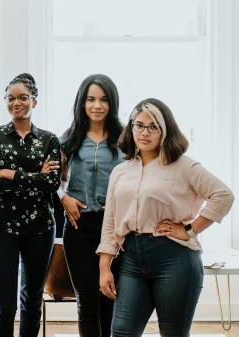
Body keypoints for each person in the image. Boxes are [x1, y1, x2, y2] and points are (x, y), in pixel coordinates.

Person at [97, 98, 234, 337]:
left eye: (153, 127)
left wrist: (190, 229)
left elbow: (223, 196)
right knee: (121, 332)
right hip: (131, 260)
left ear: (165, 130)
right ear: (131, 128)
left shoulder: (184, 166)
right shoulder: (121, 171)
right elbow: (110, 221)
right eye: (139, 125)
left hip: (175, 259)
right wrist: (104, 266)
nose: (144, 132)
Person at [0, 73, 61, 337]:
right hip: (2, 226)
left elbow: (51, 183)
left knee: (32, 299)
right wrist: (35, 176)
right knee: (4, 302)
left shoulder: (49, 140)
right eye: (11, 98)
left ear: (34, 102)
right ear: (5, 102)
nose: (17, 103)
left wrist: (11, 174)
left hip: (40, 228)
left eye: (23, 97)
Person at [58, 74, 123, 337]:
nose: (97, 105)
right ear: (82, 103)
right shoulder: (69, 137)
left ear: (112, 103)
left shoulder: (125, 138)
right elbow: (54, 180)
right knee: (87, 302)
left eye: (103, 100)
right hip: (78, 227)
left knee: (109, 298)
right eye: (91, 99)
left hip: (115, 230)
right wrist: (64, 197)